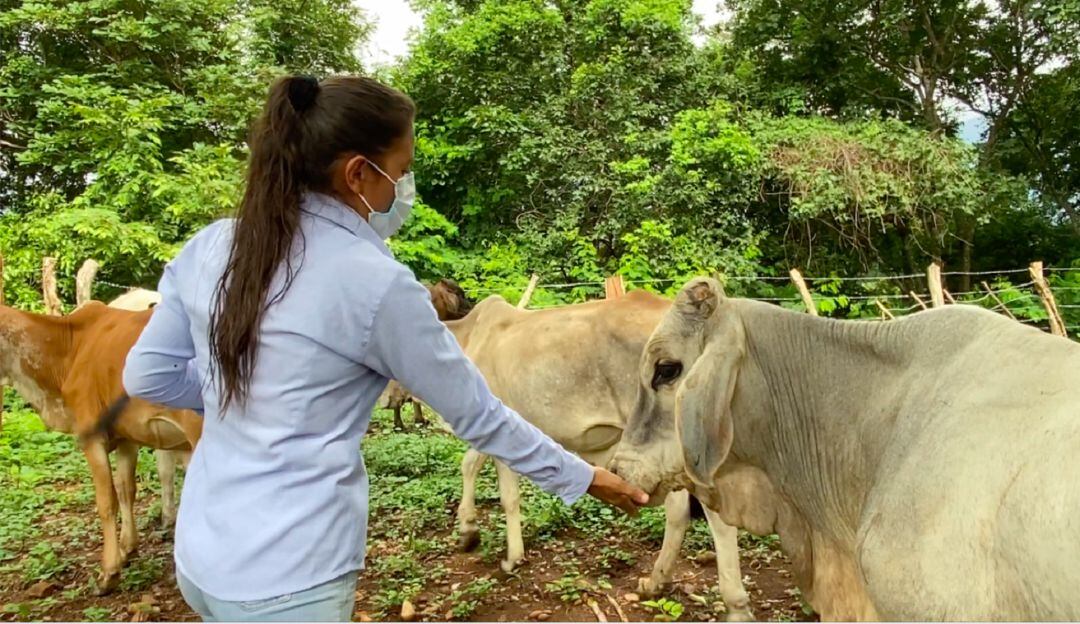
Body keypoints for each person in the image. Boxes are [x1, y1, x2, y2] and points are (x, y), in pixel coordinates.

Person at [122, 74, 649, 622]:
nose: (402, 188)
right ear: (357, 173)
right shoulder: (376, 283)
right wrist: (583, 476)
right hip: (290, 576)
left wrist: (243, 392)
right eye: (399, 172)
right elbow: (480, 415)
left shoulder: (212, 246)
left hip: (202, 556)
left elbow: (147, 378)